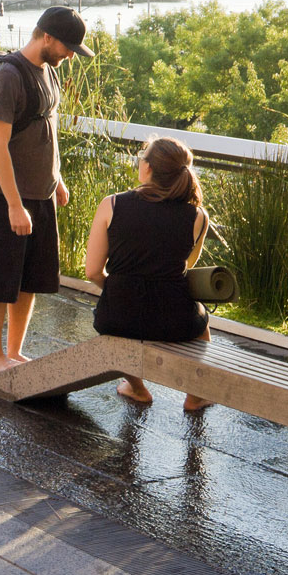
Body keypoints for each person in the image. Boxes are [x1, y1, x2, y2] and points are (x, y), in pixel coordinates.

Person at [0, 5, 91, 374]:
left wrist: (56, 177)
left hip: (40, 193)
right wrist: (14, 205)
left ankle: (14, 350)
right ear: (46, 37)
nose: (70, 54)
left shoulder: (49, 72)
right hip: (6, 195)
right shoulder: (8, 76)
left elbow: (47, 129)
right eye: (67, 46)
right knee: (0, 276)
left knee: (28, 277)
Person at [87, 136, 213, 412]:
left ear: (148, 168)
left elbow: (93, 271)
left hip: (117, 317)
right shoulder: (198, 216)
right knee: (202, 325)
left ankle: (137, 388)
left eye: (143, 156)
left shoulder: (111, 204)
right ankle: (195, 396)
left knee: (121, 331)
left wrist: (117, 290)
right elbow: (185, 267)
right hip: (175, 320)